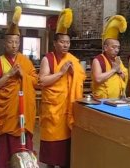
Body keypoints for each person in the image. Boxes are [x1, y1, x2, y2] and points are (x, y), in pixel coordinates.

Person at [0, 6, 38, 168]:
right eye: (10, 42)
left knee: (24, 141)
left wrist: (23, 75)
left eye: (17, 42)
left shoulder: (25, 61)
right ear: (5, 43)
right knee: (7, 144)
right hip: (8, 112)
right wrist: (9, 74)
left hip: (24, 111)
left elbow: (35, 81)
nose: (14, 45)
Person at [38, 8, 85, 168]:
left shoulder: (73, 59)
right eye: (62, 42)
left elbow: (81, 77)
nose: (66, 45)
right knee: (52, 143)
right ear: (55, 43)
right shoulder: (48, 59)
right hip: (53, 108)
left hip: (68, 107)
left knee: (67, 144)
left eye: (68, 43)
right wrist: (61, 72)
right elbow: (43, 81)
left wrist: (73, 73)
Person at [91, 15, 128, 99]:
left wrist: (119, 71)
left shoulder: (118, 60)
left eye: (118, 47)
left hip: (117, 99)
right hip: (102, 99)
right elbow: (98, 79)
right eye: (113, 47)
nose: (116, 50)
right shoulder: (98, 60)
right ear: (105, 48)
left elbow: (124, 77)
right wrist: (114, 70)